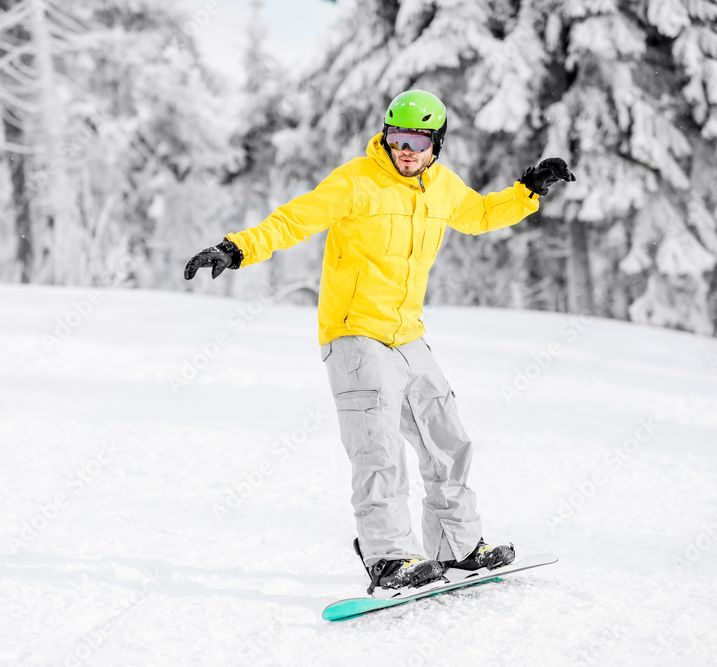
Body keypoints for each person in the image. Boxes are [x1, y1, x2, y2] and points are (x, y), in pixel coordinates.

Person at [184, 90, 575, 594]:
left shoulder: (441, 187)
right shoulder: (357, 181)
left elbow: (479, 214)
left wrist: (527, 189)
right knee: (378, 449)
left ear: (436, 142)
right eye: (396, 138)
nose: (404, 149)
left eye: (416, 139)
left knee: (448, 440)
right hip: (355, 333)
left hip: (407, 333)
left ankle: (457, 548)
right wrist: (235, 249)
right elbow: (292, 221)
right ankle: (389, 558)